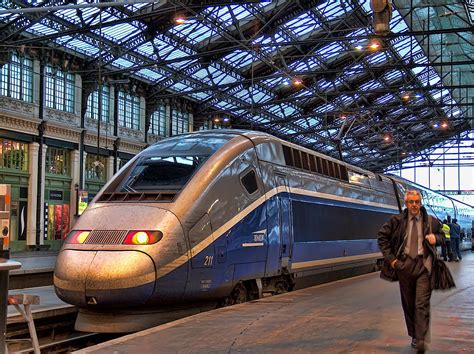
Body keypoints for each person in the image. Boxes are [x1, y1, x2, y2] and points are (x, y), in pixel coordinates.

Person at [378, 190, 444, 353]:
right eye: (411, 202)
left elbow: (443, 236)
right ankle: (414, 334)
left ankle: (420, 337)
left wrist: (437, 238)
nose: (414, 205)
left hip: (423, 266)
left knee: (421, 302)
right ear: (406, 203)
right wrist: (392, 260)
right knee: (408, 303)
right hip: (404, 266)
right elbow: (382, 238)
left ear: (420, 203)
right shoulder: (396, 221)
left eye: (417, 201)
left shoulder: (431, 221)